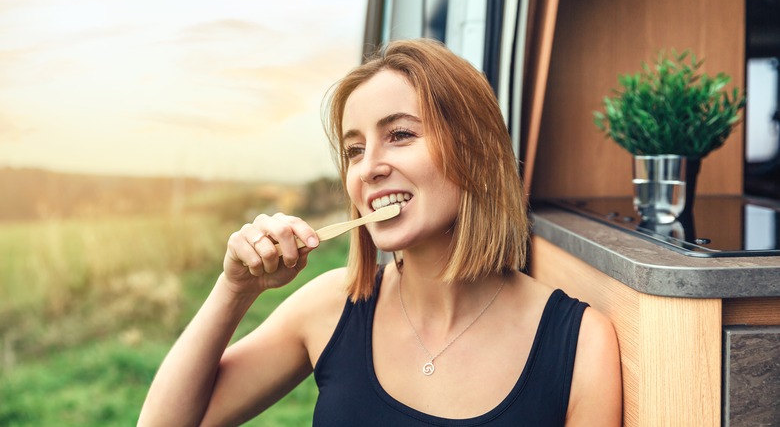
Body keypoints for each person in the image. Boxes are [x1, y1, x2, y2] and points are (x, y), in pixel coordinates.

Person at [138, 38, 622, 426]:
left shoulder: (581, 345)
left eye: (401, 135)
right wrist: (233, 290)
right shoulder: (332, 308)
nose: (367, 168)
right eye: (353, 150)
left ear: (475, 150)